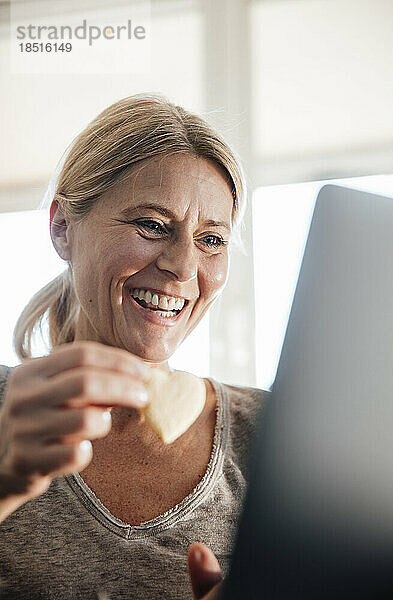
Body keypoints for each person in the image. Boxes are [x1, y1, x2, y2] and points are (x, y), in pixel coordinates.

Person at [0, 94, 267, 599]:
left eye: (211, 239)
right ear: (63, 229)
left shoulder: (273, 437)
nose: (184, 267)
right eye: (151, 225)